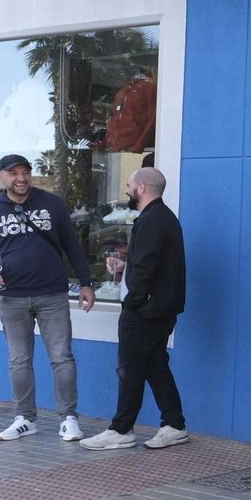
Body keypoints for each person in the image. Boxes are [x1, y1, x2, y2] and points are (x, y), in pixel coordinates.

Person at [0, 153, 95, 443]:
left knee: (62, 357)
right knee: (18, 360)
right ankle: (25, 418)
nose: (21, 178)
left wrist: (86, 283)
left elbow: (72, 247)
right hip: (10, 296)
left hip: (51, 293)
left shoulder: (52, 204)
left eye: (25, 172)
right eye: (13, 173)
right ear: (0, 177)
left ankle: (68, 419)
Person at [80, 168, 190, 451]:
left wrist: (132, 302)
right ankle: (174, 424)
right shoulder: (160, 218)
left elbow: (146, 267)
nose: (127, 190)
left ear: (141, 188)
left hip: (146, 310)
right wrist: (124, 268)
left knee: (129, 368)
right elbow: (147, 264)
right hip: (158, 308)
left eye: (128, 185)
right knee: (154, 365)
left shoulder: (153, 219)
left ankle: (121, 429)